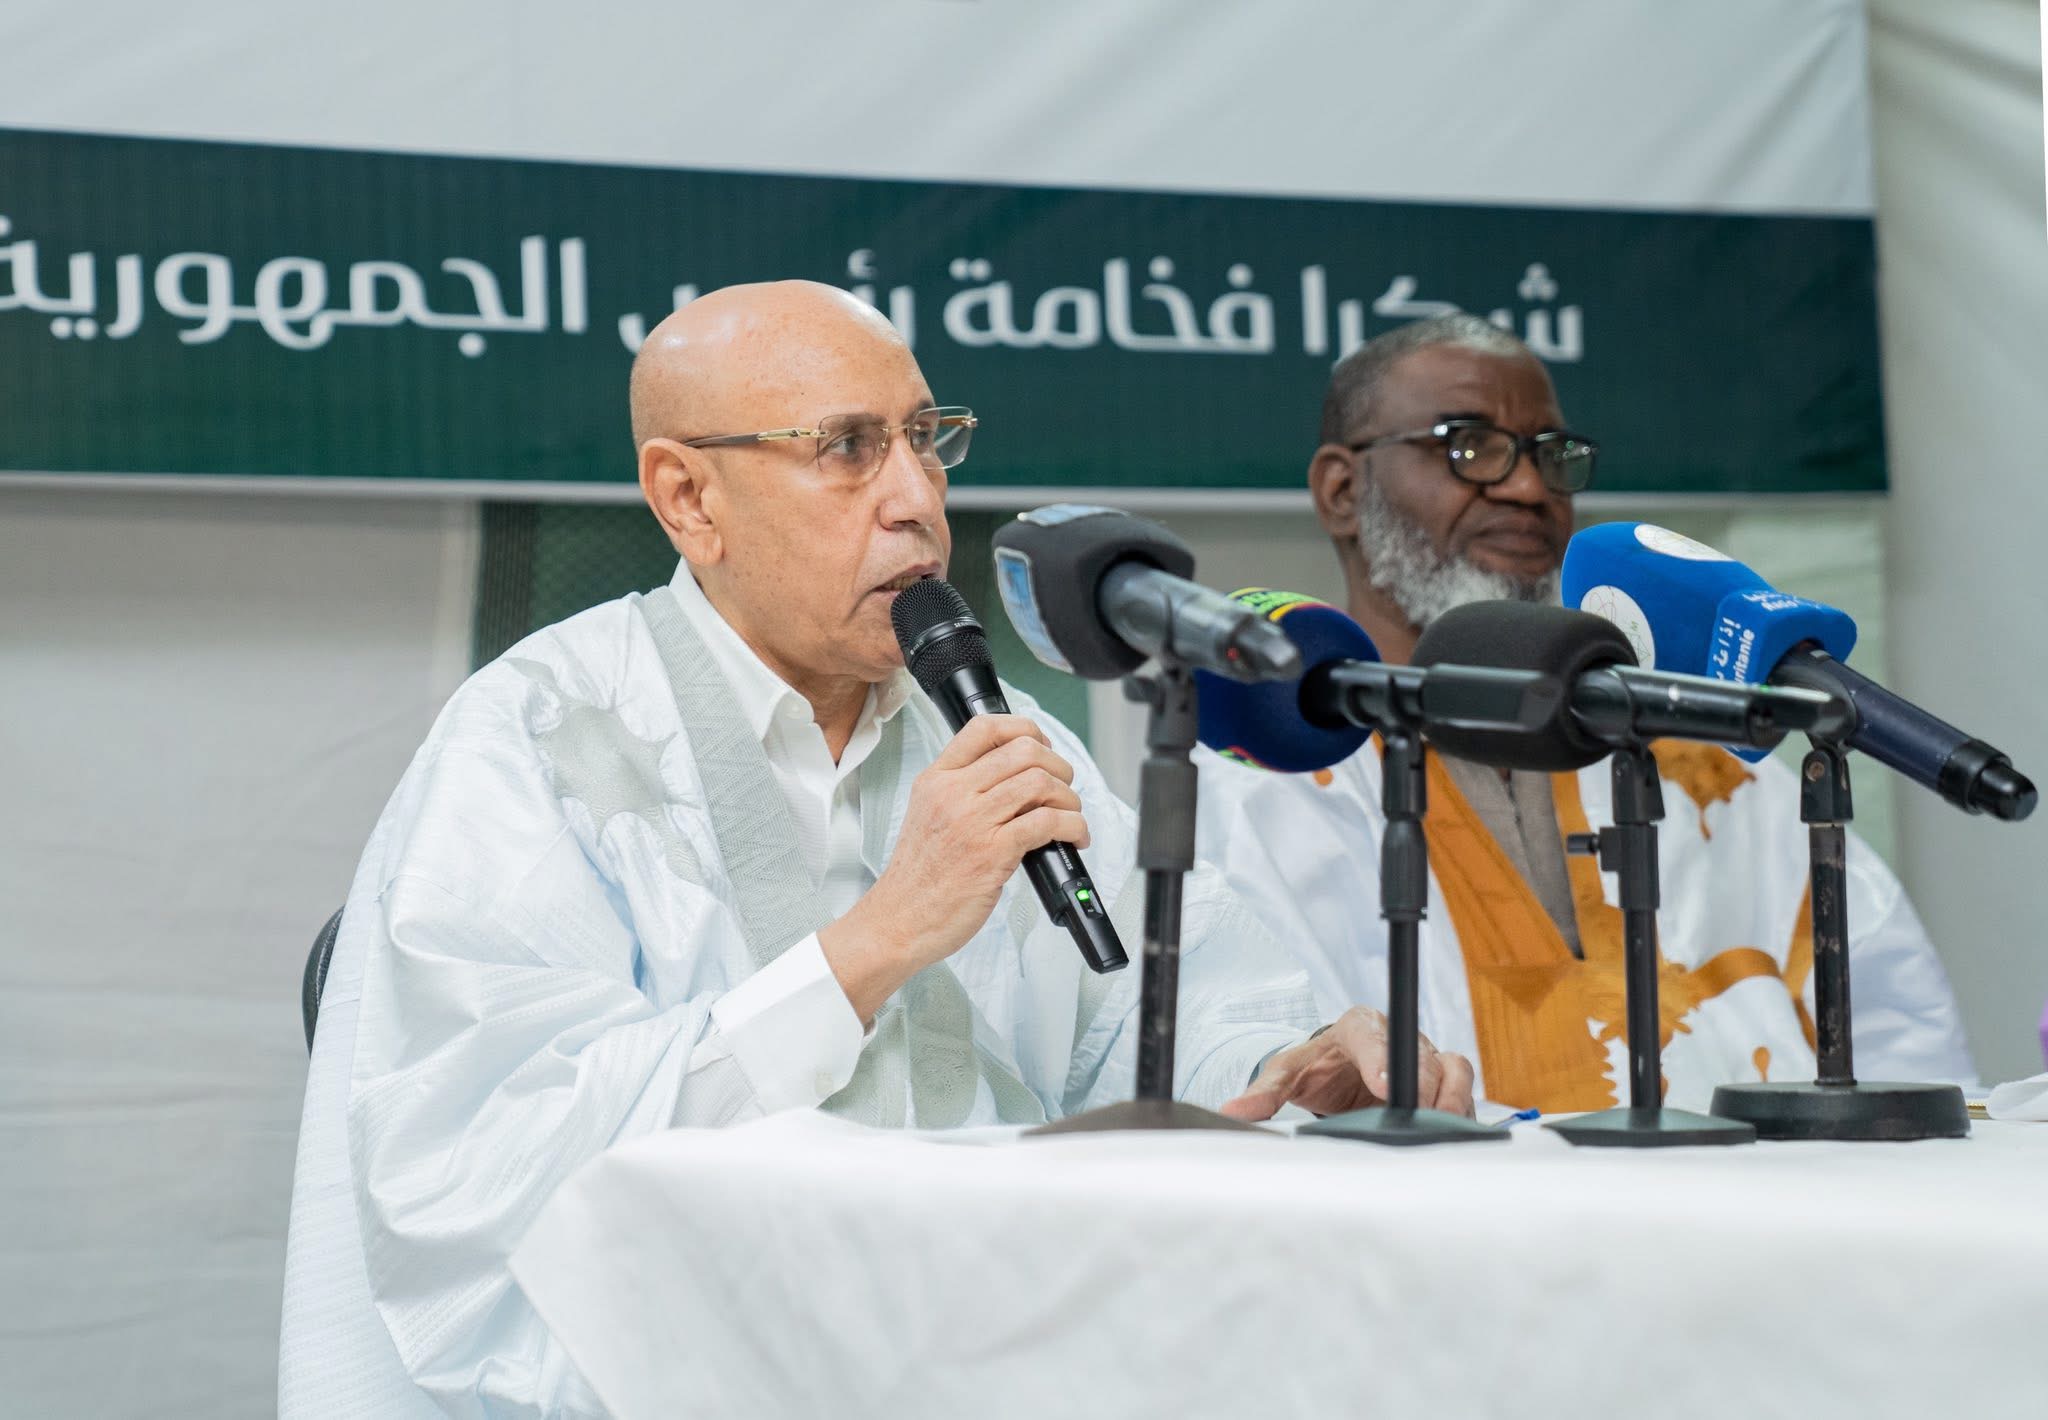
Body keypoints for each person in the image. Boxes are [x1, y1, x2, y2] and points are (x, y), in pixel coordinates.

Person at [279, 282, 1473, 1418]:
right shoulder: (542, 736)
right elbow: (487, 1168)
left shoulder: (993, 730)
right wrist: (874, 944)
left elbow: (1140, 1023)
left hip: (1001, 1365)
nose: (915, 498)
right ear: (688, 499)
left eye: (924, 438)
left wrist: (1281, 1063)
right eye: (846, 447)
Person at [1195, 313, 1974, 1115]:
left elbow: (1899, 1044)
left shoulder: (1701, 765)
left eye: (1552, 456)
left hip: (1744, 1191)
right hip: (1422, 1197)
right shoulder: (1256, 791)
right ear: (1341, 490)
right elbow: (1234, 1072)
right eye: (1470, 447)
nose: (1529, 489)